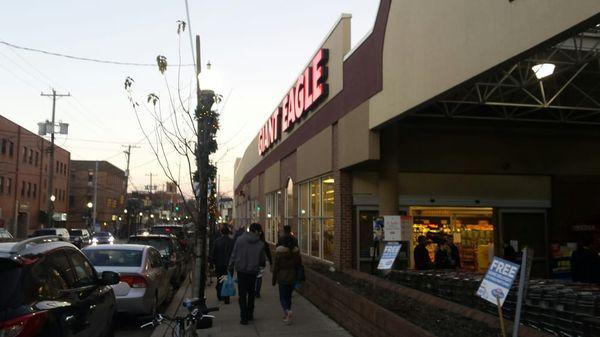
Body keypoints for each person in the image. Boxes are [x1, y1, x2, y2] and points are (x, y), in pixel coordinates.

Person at [228, 223, 266, 325]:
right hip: (253, 272)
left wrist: (230, 266)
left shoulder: (240, 240)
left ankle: (243, 317)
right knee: (251, 293)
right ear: (257, 231)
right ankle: (250, 314)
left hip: (241, 272)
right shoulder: (260, 244)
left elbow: (234, 254)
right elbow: (263, 260)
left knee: (242, 295)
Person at [272, 235, 302, 325]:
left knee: (282, 297)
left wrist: (274, 279)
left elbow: (275, 268)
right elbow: (299, 265)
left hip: (282, 277)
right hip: (293, 277)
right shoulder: (296, 253)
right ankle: (287, 314)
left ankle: (287, 311)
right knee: (288, 297)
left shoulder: (279, 253)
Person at [209, 224, 234, 304]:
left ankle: (220, 294)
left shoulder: (217, 241)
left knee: (220, 279)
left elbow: (213, 253)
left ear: (221, 232)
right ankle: (226, 296)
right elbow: (234, 253)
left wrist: (212, 263)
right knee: (226, 280)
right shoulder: (232, 242)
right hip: (228, 265)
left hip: (219, 264)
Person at [255, 229, 272, 298]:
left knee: (253, 277)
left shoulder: (253, 243)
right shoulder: (264, 243)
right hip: (261, 263)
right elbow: (268, 254)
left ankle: (254, 291)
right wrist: (271, 262)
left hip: (253, 262)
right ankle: (257, 292)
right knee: (259, 277)